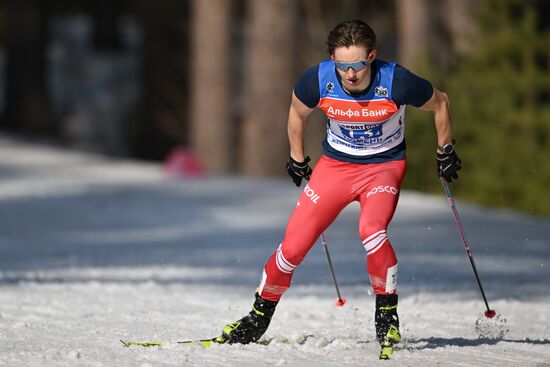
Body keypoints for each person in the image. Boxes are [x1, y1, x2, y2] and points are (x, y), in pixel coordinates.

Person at [214, 20, 461, 360]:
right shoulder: (317, 79)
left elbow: (441, 102)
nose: (351, 74)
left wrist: (445, 150)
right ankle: (259, 317)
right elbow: (297, 113)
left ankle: (386, 316)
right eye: (343, 65)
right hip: (336, 168)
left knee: (372, 232)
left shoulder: (396, 80)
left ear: (371, 57)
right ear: (332, 58)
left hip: (382, 167)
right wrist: (296, 158)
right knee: (292, 249)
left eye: (359, 64)